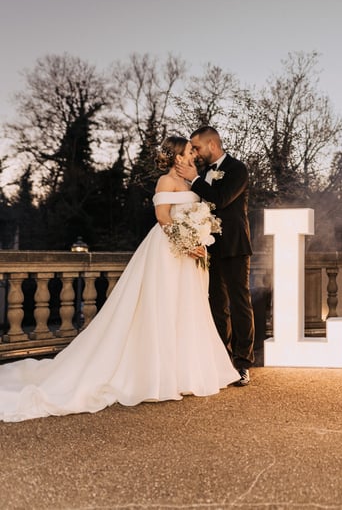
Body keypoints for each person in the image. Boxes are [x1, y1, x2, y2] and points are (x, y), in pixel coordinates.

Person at [0, 136, 239, 423]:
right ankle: (157, 375)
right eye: (189, 151)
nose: (194, 154)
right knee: (162, 307)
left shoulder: (191, 182)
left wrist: (199, 236)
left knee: (186, 309)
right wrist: (186, 243)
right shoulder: (166, 181)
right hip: (169, 252)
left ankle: (184, 372)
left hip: (190, 256)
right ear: (177, 156)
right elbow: (163, 217)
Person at [176, 125, 255, 386]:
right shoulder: (202, 173)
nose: (196, 153)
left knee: (239, 303)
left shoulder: (237, 169)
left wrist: (195, 180)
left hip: (234, 246)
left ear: (212, 144)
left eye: (197, 147)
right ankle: (222, 362)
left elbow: (221, 200)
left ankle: (243, 364)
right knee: (216, 305)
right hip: (209, 248)